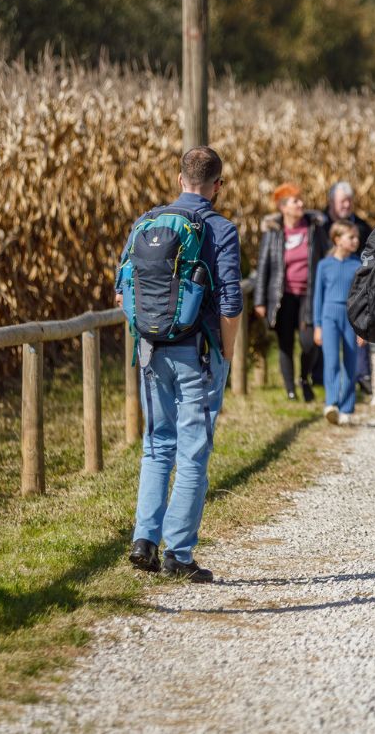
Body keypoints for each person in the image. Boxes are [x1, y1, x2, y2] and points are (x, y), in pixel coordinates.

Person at [118, 146, 243, 583]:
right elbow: (230, 303)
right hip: (199, 354)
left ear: (179, 179)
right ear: (218, 185)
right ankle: (179, 553)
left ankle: (143, 540)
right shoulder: (221, 229)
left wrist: (148, 334)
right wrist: (226, 354)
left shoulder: (147, 222)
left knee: (156, 445)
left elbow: (121, 291)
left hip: (152, 351)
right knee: (192, 451)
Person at [254, 183, 329, 402]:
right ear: (283, 207)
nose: (301, 204)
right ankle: (290, 390)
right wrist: (259, 301)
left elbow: (326, 257)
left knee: (310, 342)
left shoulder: (314, 228)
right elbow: (263, 267)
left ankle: (304, 378)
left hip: (309, 295)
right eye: (295, 201)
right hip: (282, 296)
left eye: (300, 200)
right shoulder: (273, 232)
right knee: (285, 344)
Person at [313, 222, 364, 425]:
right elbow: (318, 297)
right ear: (337, 240)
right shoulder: (324, 265)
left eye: (356, 237)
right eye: (351, 237)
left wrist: (362, 327)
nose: (356, 241)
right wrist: (318, 325)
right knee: (332, 360)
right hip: (329, 317)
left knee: (351, 362)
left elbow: (362, 298)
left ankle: (347, 408)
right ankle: (331, 403)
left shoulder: (358, 265)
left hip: (351, 318)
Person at [326, 180, 375, 393]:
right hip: (332, 292)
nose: (346, 205)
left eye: (349, 201)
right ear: (331, 203)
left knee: (358, 334)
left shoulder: (363, 227)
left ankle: (362, 376)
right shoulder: (320, 225)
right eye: (342, 201)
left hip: (357, 288)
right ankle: (330, 385)